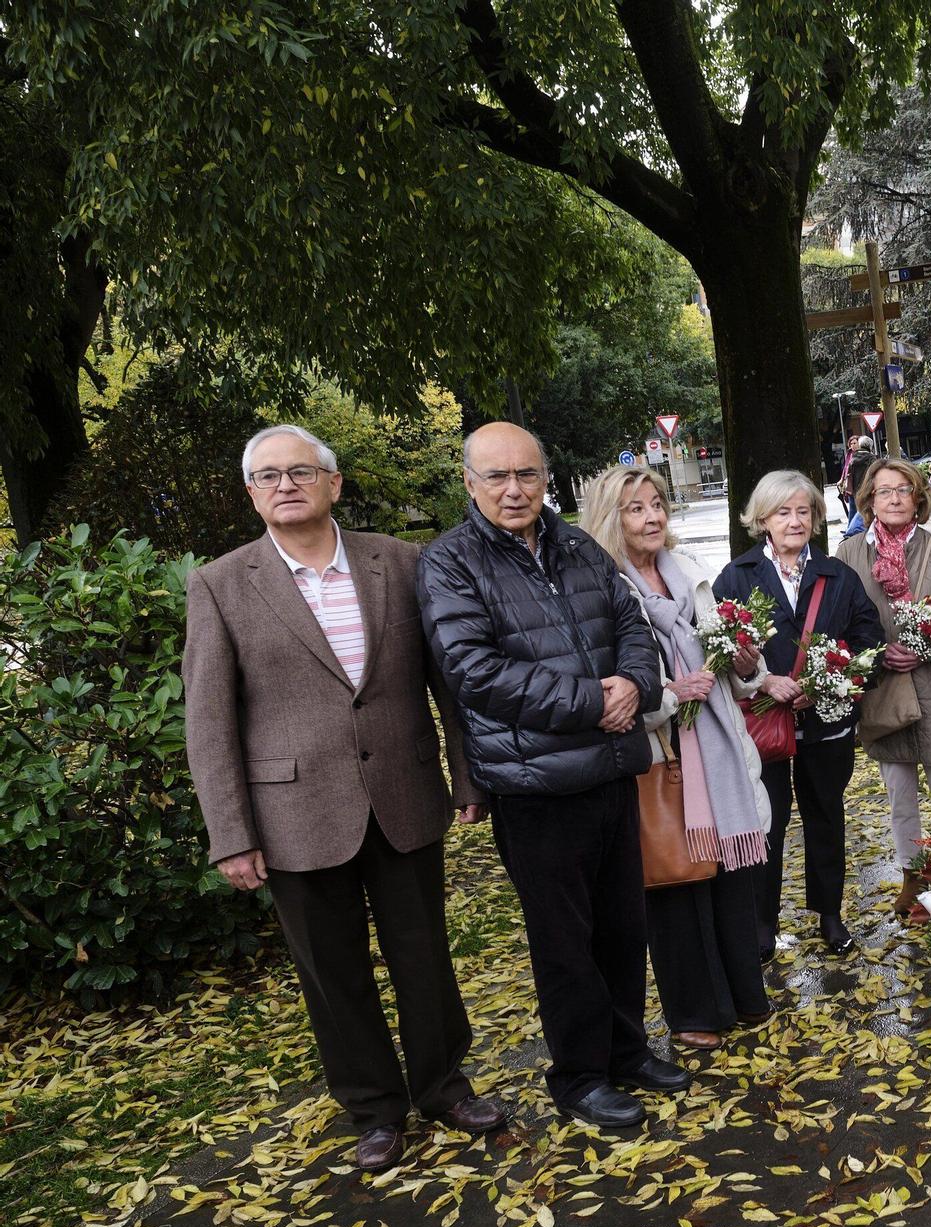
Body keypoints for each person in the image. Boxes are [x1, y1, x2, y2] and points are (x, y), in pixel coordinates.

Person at [183, 425, 505, 1171]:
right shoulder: (221, 584)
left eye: (302, 470)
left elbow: (445, 682)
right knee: (332, 973)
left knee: (424, 955)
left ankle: (443, 1085)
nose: (285, 483)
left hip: (402, 794)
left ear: (334, 483)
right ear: (251, 493)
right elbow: (208, 720)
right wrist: (230, 832)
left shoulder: (398, 561)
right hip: (292, 815)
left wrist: (467, 775)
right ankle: (374, 1108)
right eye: (268, 475)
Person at [418, 422, 687, 1131]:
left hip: (609, 771)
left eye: (527, 474)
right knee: (566, 946)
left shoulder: (575, 545)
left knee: (625, 930)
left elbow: (629, 620)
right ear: (470, 483)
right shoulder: (450, 562)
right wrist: (593, 702)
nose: (514, 489)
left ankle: (627, 1053)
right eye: (498, 477)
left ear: (546, 478)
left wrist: (633, 682)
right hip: (535, 787)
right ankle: (579, 1076)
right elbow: (474, 670)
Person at [579, 465, 774, 1053]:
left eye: (658, 504)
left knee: (731, 880)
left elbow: (729, 675)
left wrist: (747, 667)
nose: (653, 517)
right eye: (636, 508)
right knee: (675, 884)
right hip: (657, 757)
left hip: (718, 752)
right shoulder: (601, 590)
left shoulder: (687, 576)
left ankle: (743, 995)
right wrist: (668, 695)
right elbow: (608, 690)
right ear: (611, 519)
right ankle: (695, 1011)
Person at [714, 470, 886, 959]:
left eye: (803, 511)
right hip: (763, 724)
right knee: (765, 823)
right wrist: (763, 678)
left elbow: (869, 643)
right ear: (762, 519)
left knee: (825, 817)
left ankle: (829, 914)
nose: (794, 521)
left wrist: (829, 683)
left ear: (814, 518)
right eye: (783, 512)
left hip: (827, 724)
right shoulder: (737, 576)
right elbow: (715, 650)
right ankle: (762, 923)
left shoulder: (837, 576)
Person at [835, 456, 931, 916]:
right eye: (885, 491)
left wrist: (930, 647)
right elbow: (834, 630)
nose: (895, 498)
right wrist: (876, 655)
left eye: (904, 489)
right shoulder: (848, 555)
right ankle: (912, 874)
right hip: (884, 696)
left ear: (918, 498)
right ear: (868, 500)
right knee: (900, 794)